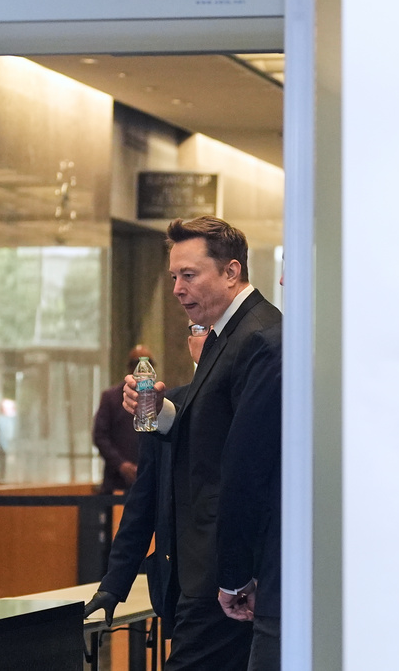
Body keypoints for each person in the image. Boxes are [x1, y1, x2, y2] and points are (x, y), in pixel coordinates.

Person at [84, 216, 281, 671]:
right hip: (203, 576)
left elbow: (244, 469)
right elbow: (207, 438)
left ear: (231, 272)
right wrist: (163, 412)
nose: (176, 288)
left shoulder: (260, 339)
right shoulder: (224, 339)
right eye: (174, 276)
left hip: (225, 580)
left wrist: (233, 578)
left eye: (188, 275)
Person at [215, 321, 282, 670]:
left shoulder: (276, 346)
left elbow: (244, 468)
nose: (284, 279)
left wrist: (236, 575)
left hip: (286, 583)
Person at [92, 345, 154, 495]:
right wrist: (121, 464)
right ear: (130, 367)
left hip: (148, 480)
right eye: (138, 364)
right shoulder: (111, 398)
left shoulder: (157, 399)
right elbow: (100, 436)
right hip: (116, 481)